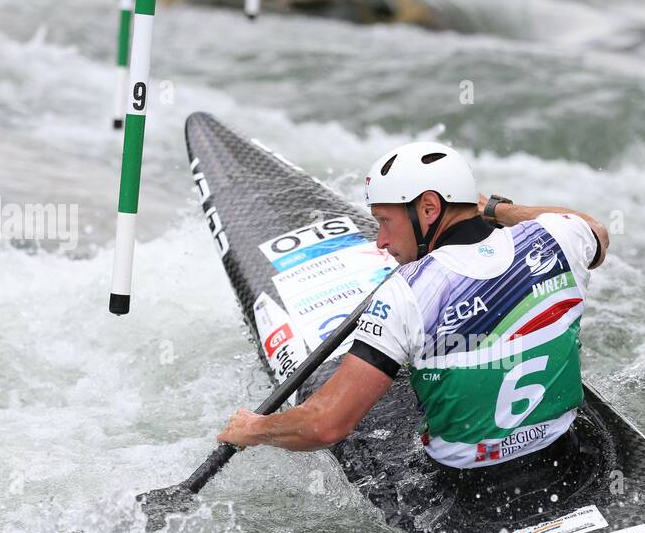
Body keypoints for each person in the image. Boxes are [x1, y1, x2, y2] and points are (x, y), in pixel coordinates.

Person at [216, 140, 609, 491]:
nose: (381, 240)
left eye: (386, 221)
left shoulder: (405, 291)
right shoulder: (558, 238)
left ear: (429, 208)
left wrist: (255, 429)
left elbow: (325, 425)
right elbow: (595, 230)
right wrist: (492, 208)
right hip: (566, 461)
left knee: (351, 388)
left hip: (470, 494)